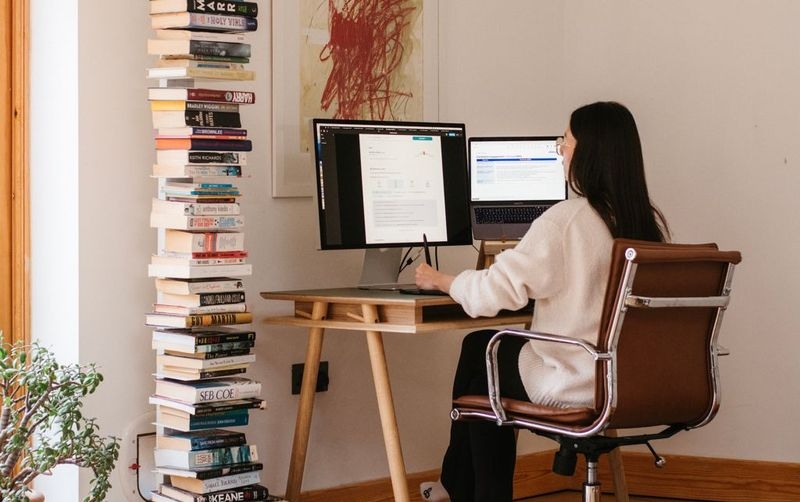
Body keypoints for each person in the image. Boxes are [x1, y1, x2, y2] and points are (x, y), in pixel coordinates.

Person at [415, 101, 670, 502]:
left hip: (577, 380)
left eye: (564, 142)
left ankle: (474, 491)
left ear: (588, 152)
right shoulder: (647, 226)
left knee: (485, 355)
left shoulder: (566, 220)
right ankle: (456, 485)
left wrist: (441, 280)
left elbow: (490, 294)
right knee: (482, 348)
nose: (561, 152)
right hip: (632, 381)